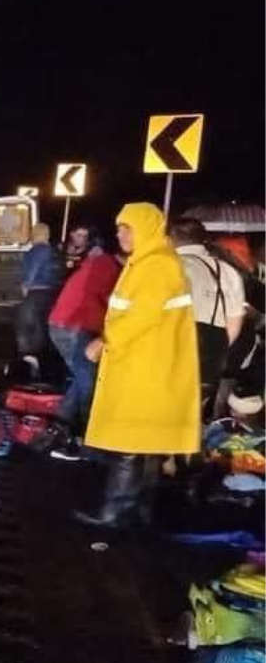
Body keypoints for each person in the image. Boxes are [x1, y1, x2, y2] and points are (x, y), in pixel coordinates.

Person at [74, 203, 201, 528]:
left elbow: (140, 315)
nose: (120, 234)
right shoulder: (152, 261)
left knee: (130, 440)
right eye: (118, 228)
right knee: (145, 441)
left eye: (127, 228)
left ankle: (115, 511)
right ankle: (138, 511)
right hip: (148, 361)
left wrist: (105, 340)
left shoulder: (155, 265)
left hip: (144, 364)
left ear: (146, 228)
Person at [45, 240, 124, 460]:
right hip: (75, 325)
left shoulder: (101, 263)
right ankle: (85, 436)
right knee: (88, 380)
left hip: (70, 323)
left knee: (83, 379)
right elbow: (103, 300)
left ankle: (61, 427)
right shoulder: (107, 266)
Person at [170, 218, 246, 421]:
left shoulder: (171, 265)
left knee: (165, 410)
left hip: (174, 345)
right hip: (214, 346)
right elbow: (234, 320)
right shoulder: (228, 271)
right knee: (193, 414)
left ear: (171, 239)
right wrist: (217, 348)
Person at [16, 223, 62, 379]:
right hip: (49, 292)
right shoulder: (53, 252)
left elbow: (32, 269)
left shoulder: (38, 250)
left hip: (36, 291)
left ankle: (31, 361)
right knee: (41, 326)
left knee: (26, 326)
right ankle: (43, 364)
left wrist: (25, 286)